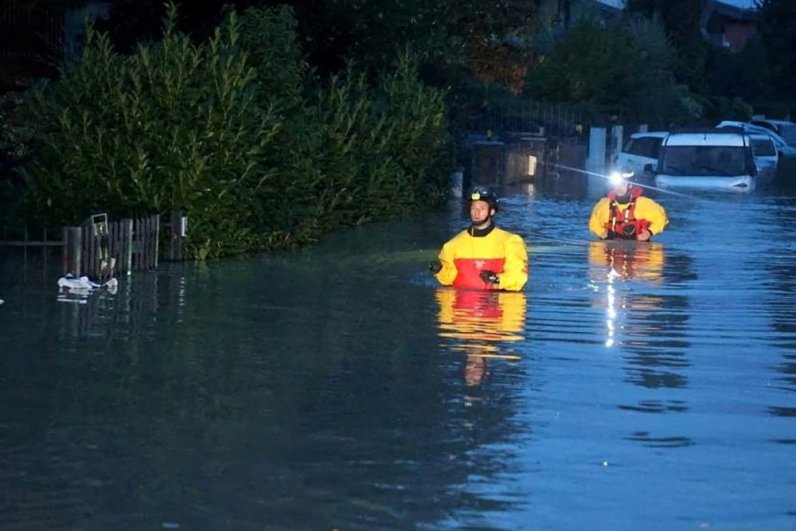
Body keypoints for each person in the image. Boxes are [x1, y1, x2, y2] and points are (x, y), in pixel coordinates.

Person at [431, 188, 528, 291]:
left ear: (492, 211)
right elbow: (448, 280)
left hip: (498, 302)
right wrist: (440, 270)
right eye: (473, 208)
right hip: (462, 305)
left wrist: (497, 279)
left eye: (482, 208)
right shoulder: (452, 245)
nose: (476, 213)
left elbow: (518, 278)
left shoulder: (511, 242)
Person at [588, 170, 668, 241]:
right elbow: (593, 224)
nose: (618, 187)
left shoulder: (644, 204)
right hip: (610, 251)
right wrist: (601, 232)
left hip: (639, 251)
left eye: (622, 184)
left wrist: (649, 232)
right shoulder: (603, 205)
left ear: (630, 185)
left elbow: (662, 218)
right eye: (616, 184)